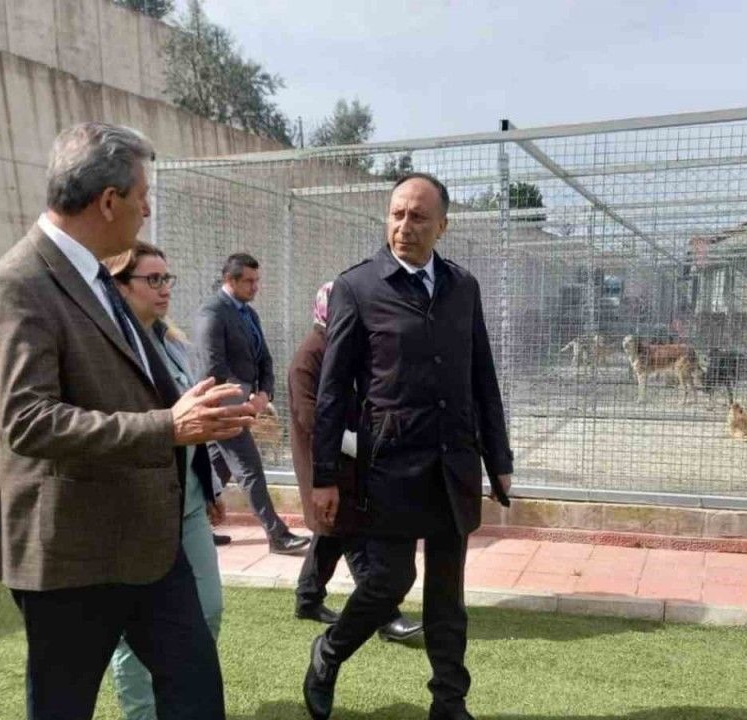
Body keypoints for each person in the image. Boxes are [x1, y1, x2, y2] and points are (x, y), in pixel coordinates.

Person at [0, 122, 256, 720]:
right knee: (64, 704)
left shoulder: (97, 273)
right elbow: (27, 420)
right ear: (107, 201)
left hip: (146, 540)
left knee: (196, 691)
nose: (147, 210)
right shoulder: (16, 283)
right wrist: (167, 427)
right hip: (70, 551)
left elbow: (136, 384)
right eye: (142, 196)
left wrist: (206, 409)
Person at [305, 173, 514, 720]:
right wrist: (324, 475)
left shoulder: (463, 287)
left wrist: (499, 458)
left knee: (447, 595)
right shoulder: (357, 287)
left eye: (418, 217)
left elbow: (482, 376)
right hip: (391, 465)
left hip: (454, 462)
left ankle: (449, 702)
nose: (404, 226)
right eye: (397, 214)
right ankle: (329, 651)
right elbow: (332, 392)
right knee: (390, 580)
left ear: (442, 226)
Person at [103, 241, 227, 720]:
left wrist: (211, 485)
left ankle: (182, 700)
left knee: (207, 609)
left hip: (188, 502)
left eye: (166, 278)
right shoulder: (107, 347)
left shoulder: (172, 342)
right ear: (119, 286)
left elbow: (191, 420)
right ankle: (143, 713)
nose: (164, 289)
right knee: (137, 632)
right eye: (152, 279)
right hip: (136, 509)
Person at [289, 281, 423, 643]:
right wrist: (354, 444)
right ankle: (385, 616)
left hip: (345, 460)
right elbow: (311, 417)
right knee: (352, 535)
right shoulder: (309, 358)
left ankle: (308, 598)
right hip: (327, 463)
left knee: (331, 533)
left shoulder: (339, 345)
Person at [193, 253, 310, 556]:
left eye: (257, 280)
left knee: (218, 469)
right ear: (229, 280)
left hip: (244, 403)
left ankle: (191, 527)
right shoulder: (213, 312)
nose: (256, 286)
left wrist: (264, 395)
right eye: (249, 281)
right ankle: (278, 536)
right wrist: (237, 403)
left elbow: (265, 359)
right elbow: (212, 368)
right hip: (223, 406)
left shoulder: (248, 314)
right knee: (250, 468)